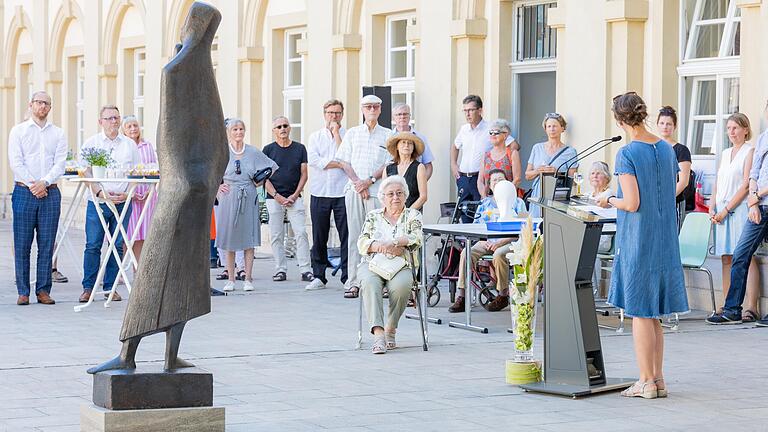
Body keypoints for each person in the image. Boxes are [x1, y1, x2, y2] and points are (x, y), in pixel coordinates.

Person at [597, 92, 688, 399]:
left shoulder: (627, 153)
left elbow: (632, 202)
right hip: (665, 236)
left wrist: (608, 199)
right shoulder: (666, 148)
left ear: (620, 120)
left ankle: (645, 381)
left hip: (639, 238)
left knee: (639, 311)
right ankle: (658, 379)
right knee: (654, 313)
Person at [8, 91, 67, 305]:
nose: (42, 106)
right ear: (31, 104)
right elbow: (16, 162)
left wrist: (45, 182)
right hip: (24, 192)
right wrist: (34, 185)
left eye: (46, 103)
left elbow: (60, 163)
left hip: (50, 193)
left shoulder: (58, 133)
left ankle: (43, 290)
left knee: (46, 244)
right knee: (22, 244)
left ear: (50, 108)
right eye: (39, 102)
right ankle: (23, 291)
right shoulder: (18, 131)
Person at [78, 105, 140, 303]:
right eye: (109, 118)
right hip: (98, 201)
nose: (113, 121)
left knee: (117, 244)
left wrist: (128, 193)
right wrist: (98, 191)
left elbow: (136, 172)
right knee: (93, 244)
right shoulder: (91, 143)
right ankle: (88, 287)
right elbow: (84, 171)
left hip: (122, 201)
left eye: (116, 117)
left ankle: (110, 287)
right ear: (100, 122)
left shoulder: (129, 144)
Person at [357, 175, 423, 354]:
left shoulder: (413, 215)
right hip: (373, 263)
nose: (395, 197)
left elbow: (417, 237)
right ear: (382, 197)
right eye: (391, 194)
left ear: (405, 195)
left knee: (401, 286)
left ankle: (391, 328)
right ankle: (379, 335)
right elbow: (362, 242)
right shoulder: (373, 216)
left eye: (399, 193)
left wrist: (397, 243)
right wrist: (381, 247)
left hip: (401, 264)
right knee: (370, 284)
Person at [336, 94, 392, 299]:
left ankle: (379, 281)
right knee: (356, 237)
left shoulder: (388, 134)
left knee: (379, 237)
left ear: (380, 110)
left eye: (375, 107)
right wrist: (359, 184)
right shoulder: (352, 133)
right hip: (354, 191)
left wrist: (368, 181)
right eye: (368, 107)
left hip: (377, 192)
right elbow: (343, 161)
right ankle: (353, 282)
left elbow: (388, 163)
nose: (372, 110)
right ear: (362, 109)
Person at [707, 113, 760, 323]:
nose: (731, 132)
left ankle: (751, 306)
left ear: (745, 129)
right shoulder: (725, 152)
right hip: (721, 209)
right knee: (726, 258)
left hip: (737, 209)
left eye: (735, 128)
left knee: (746, 255)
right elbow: (718, 183)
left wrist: (726, 209)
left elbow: (746, 184)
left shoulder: (750, 151)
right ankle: (728, 303)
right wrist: (712, 206)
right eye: (728, 128)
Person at [449, 169, 526, 313]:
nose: (497, 182)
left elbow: (523, 229)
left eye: (500, 179)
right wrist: (483, 239)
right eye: (494, 180)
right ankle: (462, 296)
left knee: (499, 254)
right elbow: (476, 226)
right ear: (489, 186)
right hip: (487, 241)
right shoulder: (484, 204)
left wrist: (500, 242)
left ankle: (503, 295)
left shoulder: (518, 203)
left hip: (509, 241)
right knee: (467, 252)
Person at [216, 118, 278, 292]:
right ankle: (231, 278)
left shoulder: (252, 151)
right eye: (234, 129)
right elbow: (211, 171)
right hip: (228, 195)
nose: (238, 132)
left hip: (248, 194)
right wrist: (217, 185)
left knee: (248, 238)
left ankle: (248, 278)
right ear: (228, 132)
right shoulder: (222, 152)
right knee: (229, 238)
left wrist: (259, 181)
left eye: (241, 129)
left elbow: (271, 166)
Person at [451, 95, 519, 222]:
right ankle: (467, 241)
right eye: (465, 111)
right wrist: (454, 165)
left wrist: (499, 160)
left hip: (480, 177)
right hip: (464, 177)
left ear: (480, 110)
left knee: (480, 213)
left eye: (471, 110)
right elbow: (455, 146)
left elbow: (514, 145)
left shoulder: (491, 128)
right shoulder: (464, 129)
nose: (467, 114)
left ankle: (480, 242)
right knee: (465, 213)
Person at [305, 99, 349, 291]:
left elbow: (346, 157)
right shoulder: (315, 136)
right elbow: (314, 160)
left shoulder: (348, 135)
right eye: (331, 113)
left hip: (342, 192)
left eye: (337, 113)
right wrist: (339, 163)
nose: (334, 116)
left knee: (346, 235)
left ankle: (347, 276)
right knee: (319, 235)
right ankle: (319, 276)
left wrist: (337, 134)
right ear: (324, 114)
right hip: (320, 191)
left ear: (342, 115)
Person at [263, 116, 312, 282]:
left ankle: (306, 270)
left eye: (285, 125)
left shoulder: (300, 148)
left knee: (301, 233)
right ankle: (280, 269)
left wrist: (294, 194)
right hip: (273, 198)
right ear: (274, 131)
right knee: (276, 235)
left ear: (290, 128)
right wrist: (276, 196)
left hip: (294, 197)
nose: (282, 129)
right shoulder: (268, 150)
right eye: (278, 127)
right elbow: (264, 177)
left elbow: (304, 174)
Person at [525, 112, 578, 218]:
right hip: (538, 194)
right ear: (545, 129)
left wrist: (556, 172)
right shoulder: (537, 148)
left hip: (558, 195)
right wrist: (538, 171)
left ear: (562, 128)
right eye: (549, 126)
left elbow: (574, 180)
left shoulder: (570, 151)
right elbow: (527, 175)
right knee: (537, 228)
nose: (552, 129)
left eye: (555, 126)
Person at [122, 115, 158, 263]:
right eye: (129, 126)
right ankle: (119, 270)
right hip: (129, 193)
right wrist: (132, 193)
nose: (133, 129)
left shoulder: (147, 146)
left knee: (143, 234)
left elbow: (154, 168)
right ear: (123, 130)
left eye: (135, 125)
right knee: (127, 233)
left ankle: (138, 269)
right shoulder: (123, 146)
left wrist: (151, 189)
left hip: (147, 195)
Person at [657, 106, 694, 224]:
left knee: (673, 238)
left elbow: (683, 181)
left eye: (668, 124)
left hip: (674, 202)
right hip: (654, 204)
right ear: (657, 125)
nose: (665, 127)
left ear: (674, 127)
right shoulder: (652, 148)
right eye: (662, 123)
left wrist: (665, 199)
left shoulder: (681, 150)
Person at [382, 132, 428, 210]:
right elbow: (383, 195)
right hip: (392, 216)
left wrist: (407, 214)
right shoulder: (388, 169)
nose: (406, 145)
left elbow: (423, 197)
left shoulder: (419, 167)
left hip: (413, 215)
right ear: (397, 146)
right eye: (403, 142)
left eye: (410, 143)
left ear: (413, 148)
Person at [478, 118, 522, 197]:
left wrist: (504, 196)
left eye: (496, 133)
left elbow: (517, 179)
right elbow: (480, 181)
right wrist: (484, 197)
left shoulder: (512, 153)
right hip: (488, 200)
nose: (493, 135)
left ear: (505, 135)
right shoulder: (485, 155)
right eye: (491, 133)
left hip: (507, 199)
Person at [390, 103, 435, 179]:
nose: (402, 117)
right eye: (399, 114)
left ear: (409, 117)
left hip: (414, 182)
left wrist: (420, 183)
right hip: (393, 185)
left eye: (405, 114)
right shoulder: (388, 137)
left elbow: (428, 166)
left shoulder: (420, 137)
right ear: (393, 117)